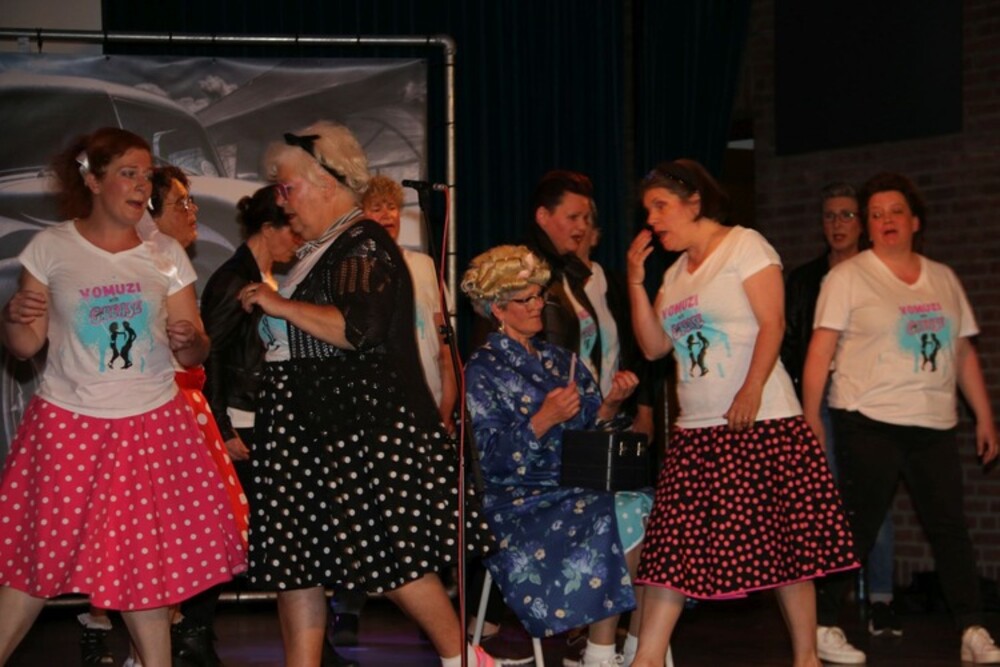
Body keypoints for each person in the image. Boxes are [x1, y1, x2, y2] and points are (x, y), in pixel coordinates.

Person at [238, 121, 495, 667]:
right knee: (297, 566)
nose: (280, 200)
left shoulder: (363, 244)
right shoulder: (319, 250)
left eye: (287, 187)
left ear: (326, 181)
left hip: (355, 429)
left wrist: (280, 305)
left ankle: (463, 659)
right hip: (308, 430)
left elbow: (359, 328)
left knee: (392, 559)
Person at [0, 127, 246, 667]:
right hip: (70, 423)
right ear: (92, 181)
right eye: (127, 174)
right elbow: (25, 346)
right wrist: (14, 319)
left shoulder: (166, 255)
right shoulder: (51, 247)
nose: (141, 186)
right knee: (35, 566)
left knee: (146, 572)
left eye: (146, 175)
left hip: (150, 424)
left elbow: (195, 350)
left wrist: (191, 340)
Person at [626, 159, 858, 667]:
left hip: (763, 421)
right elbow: (653, 347)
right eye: (648, 210)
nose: (653, 220)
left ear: (694, 202)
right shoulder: (675, 275)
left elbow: (773, 322)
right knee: (671, 552)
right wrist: (637, 283)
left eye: (661, 206)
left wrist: (751, 389)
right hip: (696, 432)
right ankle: (647, 659)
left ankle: (806, 658)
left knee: (787, 548)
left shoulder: (745, 246)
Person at [804, 172, 1000, 665]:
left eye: (895, 211)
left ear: (915, 221)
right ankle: (822, 624)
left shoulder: (943, 278)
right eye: (875, 214)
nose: (886, 220)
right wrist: (811, 417)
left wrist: (984, 417)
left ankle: (972, 627)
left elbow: (962, 353)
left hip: (933, 421)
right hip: (866, 417)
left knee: (949, 526)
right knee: (859, 523)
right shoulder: (848, 278)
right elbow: (819, 351)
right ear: (867, 227)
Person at [461, 244, 657, 667]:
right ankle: (599, 653)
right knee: (613, 510)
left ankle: (638, 650)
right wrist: (542, 420)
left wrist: (610, 406)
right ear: (497, 309)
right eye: (525, 299)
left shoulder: (561, 360)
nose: (537, 305)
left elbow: (590, 440)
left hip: (574, 486)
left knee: (649, 508)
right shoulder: (482, 371)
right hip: (519, 502)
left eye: (539, 295)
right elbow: (488, 460)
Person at [327, 174, 461, 649]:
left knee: (422, 513)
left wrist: (446, 404)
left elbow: (442, 341)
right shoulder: (354, 267)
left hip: (424, 402)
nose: (386, 216)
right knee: (368, 514)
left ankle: (437, 617)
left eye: (392, 208)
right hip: (377, 409)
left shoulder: (422, 266)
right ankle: (348, 605)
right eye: (375, 208)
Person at [525, 170, 653, 437]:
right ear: (543, 216)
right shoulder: (523, 277)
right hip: (551, 423)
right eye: (573, 217)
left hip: (603, 417)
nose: (582, 227)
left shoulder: (587, 279)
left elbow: (638, 351)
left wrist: (639, 408)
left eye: (586, 219)